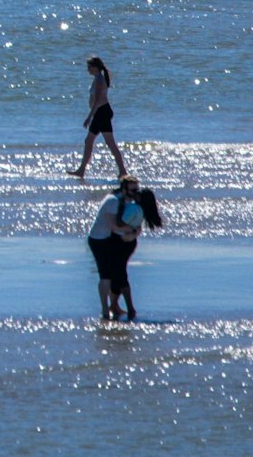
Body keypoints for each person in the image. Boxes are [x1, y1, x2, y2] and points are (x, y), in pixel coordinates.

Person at [86, 176, 149, 321]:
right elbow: (114, 227)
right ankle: (104, 310)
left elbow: (133, 224)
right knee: (105, 275)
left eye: (137, 189)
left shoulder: (128, 201)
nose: (135, 193)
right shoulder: (112, 201)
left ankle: (114, 306)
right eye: (133, 189)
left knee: (115, 273)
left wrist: (134, 232)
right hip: (99, 240)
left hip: (111, 239)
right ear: (124, 188)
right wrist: (133, 230)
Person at [72, 55, 125, 179]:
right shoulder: (97, 78)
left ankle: (122, 171)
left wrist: (89, 117)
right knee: (93, 141)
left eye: (89, 67)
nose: (88, 69)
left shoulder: (100, 80)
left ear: (95, 67)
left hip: (101, 113)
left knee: (107, 142)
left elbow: (97, 101)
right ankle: (82, 170)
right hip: (100, 112)